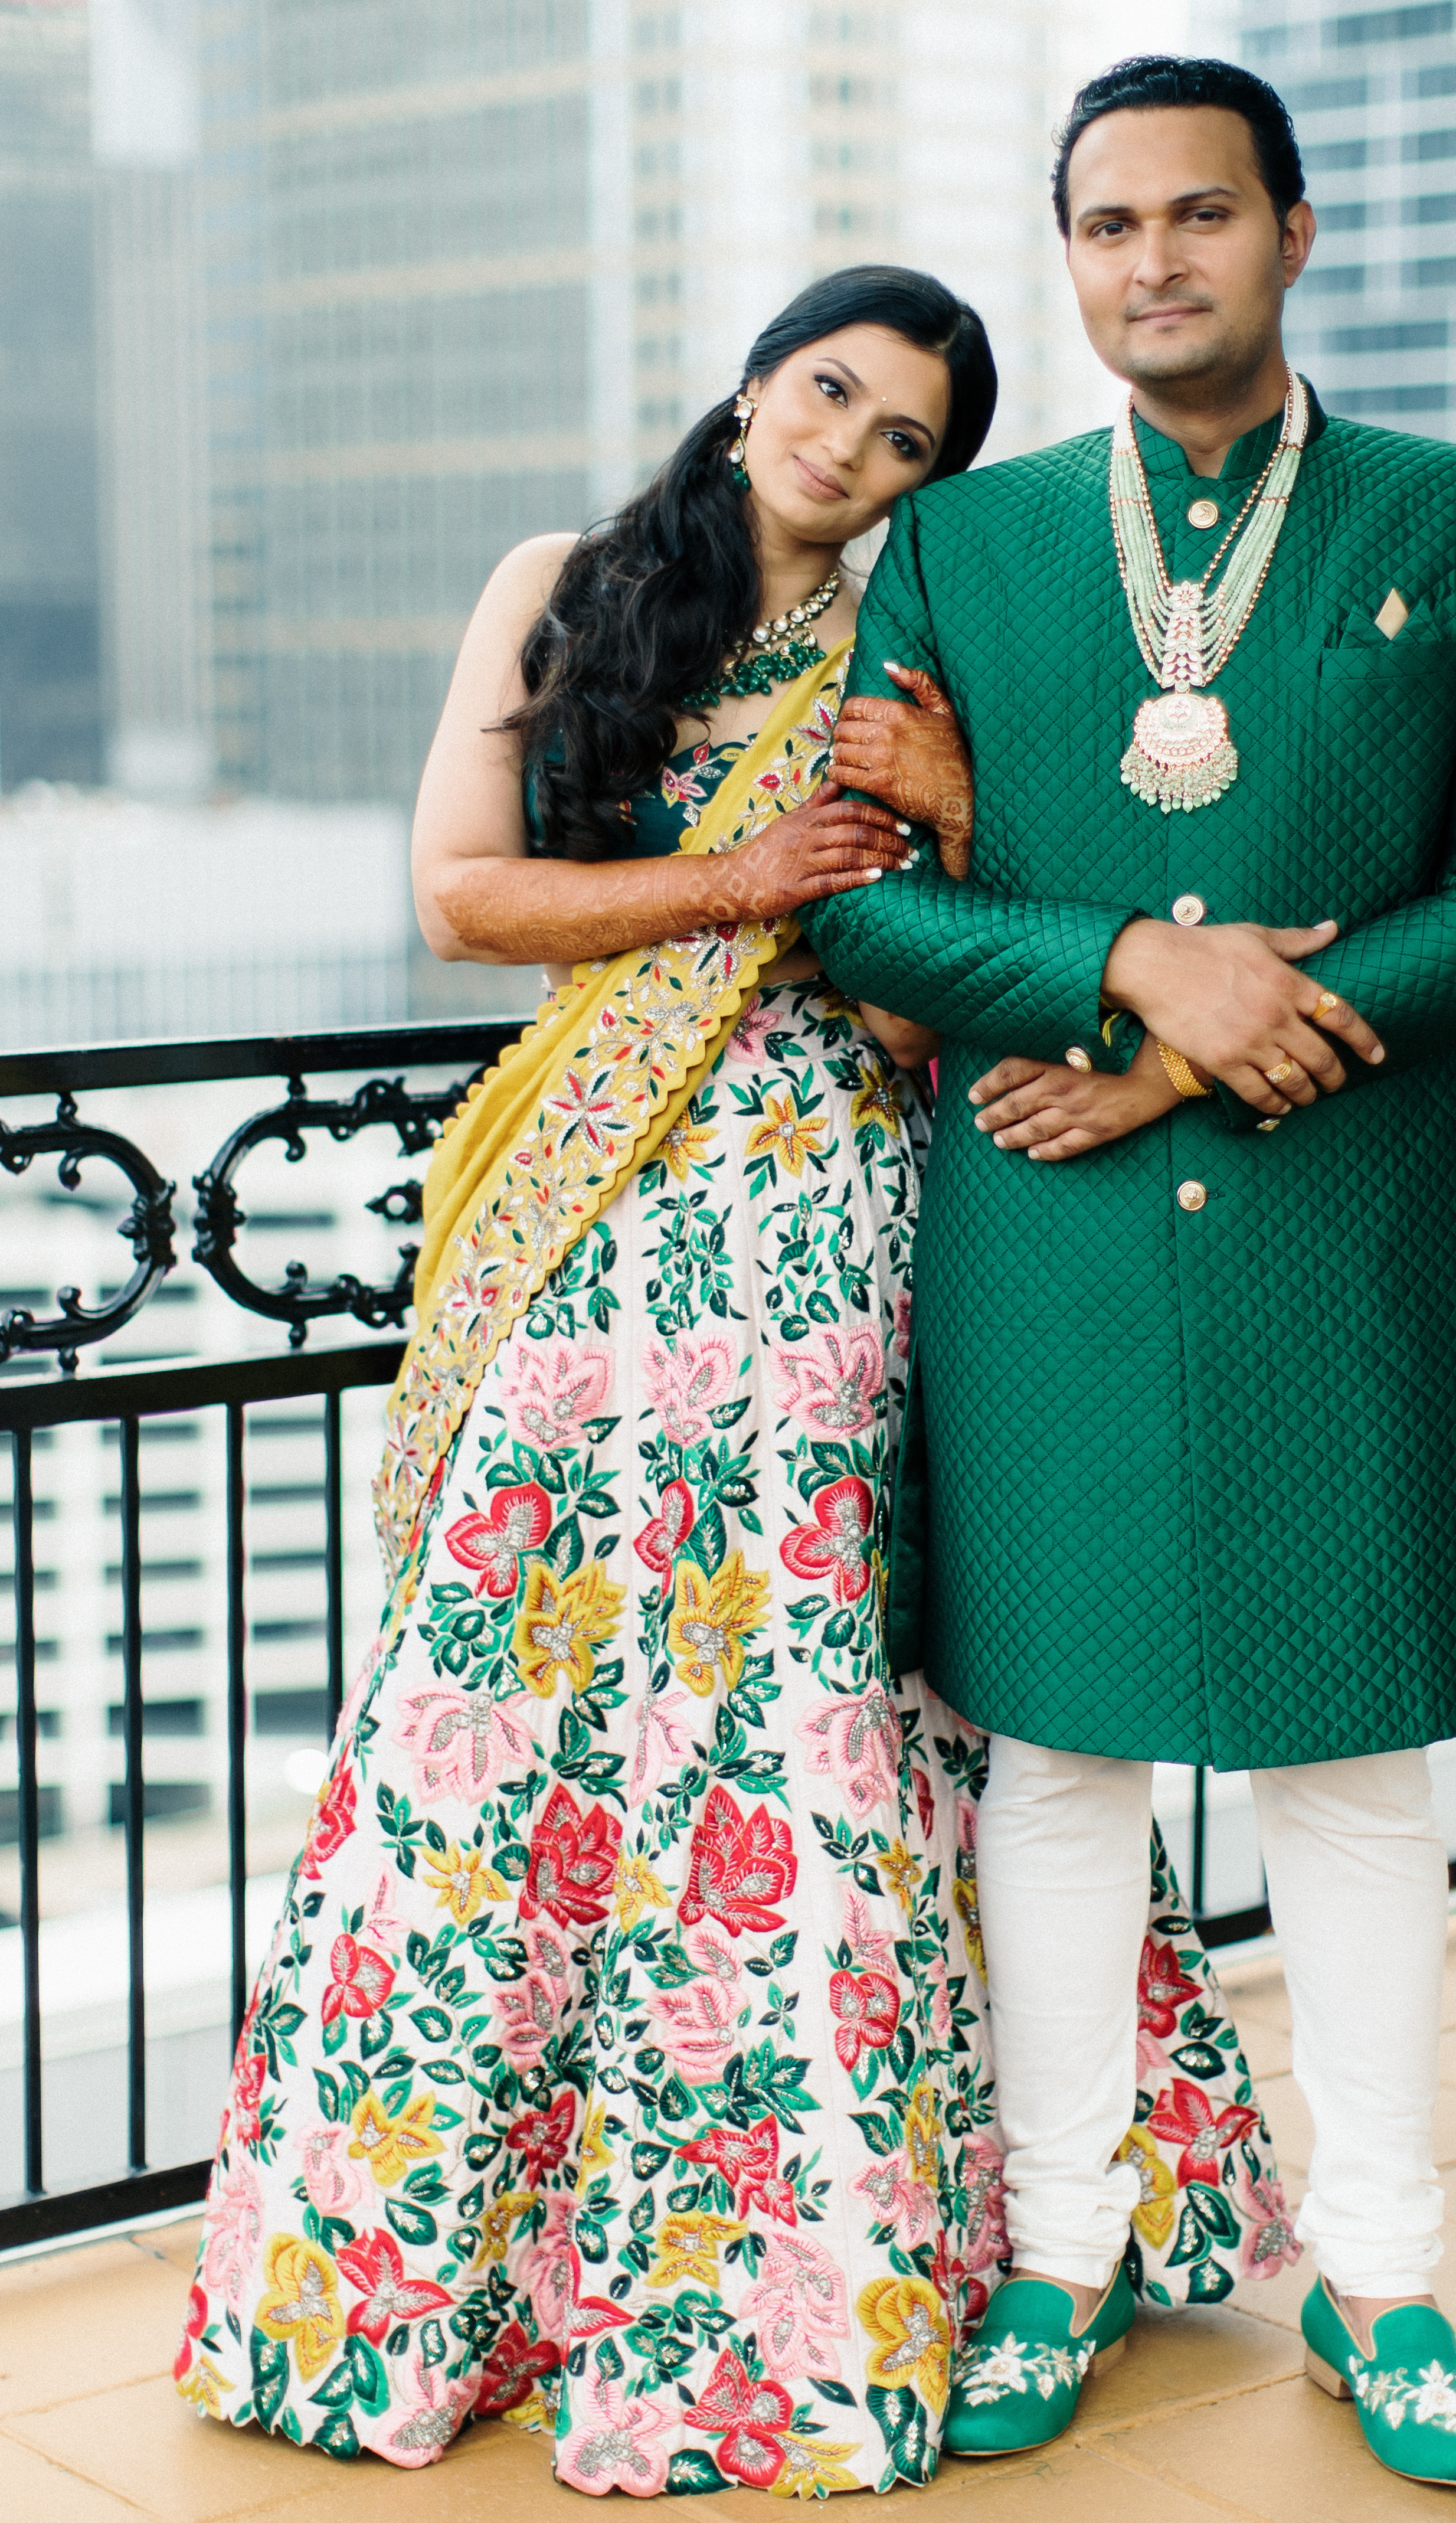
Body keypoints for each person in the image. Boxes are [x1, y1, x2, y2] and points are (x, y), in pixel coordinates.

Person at [177, 265, 1294, 2499]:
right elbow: (460, 896)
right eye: (830, 392)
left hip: (826, 1231)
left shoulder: (911, 648)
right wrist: (739, 877)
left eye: (905, 442)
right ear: (760, 378)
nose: (850, 449)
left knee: (811, 1695)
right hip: (581, 1219)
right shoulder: (562, 586)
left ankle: (825, 2268)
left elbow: (906, 1011)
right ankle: (426, 2266)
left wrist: (954, 821)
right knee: (507, 1694)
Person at [804, 64, 1456, 2491]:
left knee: (1350, 1772)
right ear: (1064, 258)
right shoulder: (966, 548)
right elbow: (858, 894)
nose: (1146, 260)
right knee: (1051, 1769)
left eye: (1194, 214)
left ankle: (1379, 2278)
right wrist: (1137, 969)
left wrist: (1194, 1057)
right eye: (1102, 224)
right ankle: (1056, 2253)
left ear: (1290, 228)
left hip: (1342, 1232)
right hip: (1038, 1246)